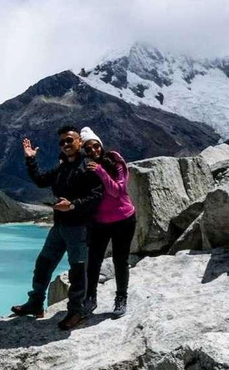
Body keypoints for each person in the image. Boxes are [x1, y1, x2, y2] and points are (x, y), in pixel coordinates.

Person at [11, 125, 104, 330]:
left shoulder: (89, 166)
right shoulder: (63, 166)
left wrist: (72, 205)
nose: (65, 144)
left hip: (79, 228)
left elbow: (97, 195)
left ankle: (76, 311)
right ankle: (36, 303)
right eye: (62, 142)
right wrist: (30, 159)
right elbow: (41, 181)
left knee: (78, 272)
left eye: (69, 140)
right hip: (60, 226)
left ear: (79, 141)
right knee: (43, 264)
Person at [80, 127, 136, 319]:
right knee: (93, 261)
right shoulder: (86, 168)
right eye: (88, 149)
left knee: (120, 260)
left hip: (124, 219)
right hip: (100, 222)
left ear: (101, 145)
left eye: (96, 146)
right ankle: (90, 298)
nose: (94, 151)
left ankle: (121, 298)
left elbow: (117, 191)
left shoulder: (116, 163)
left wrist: (101, 172)